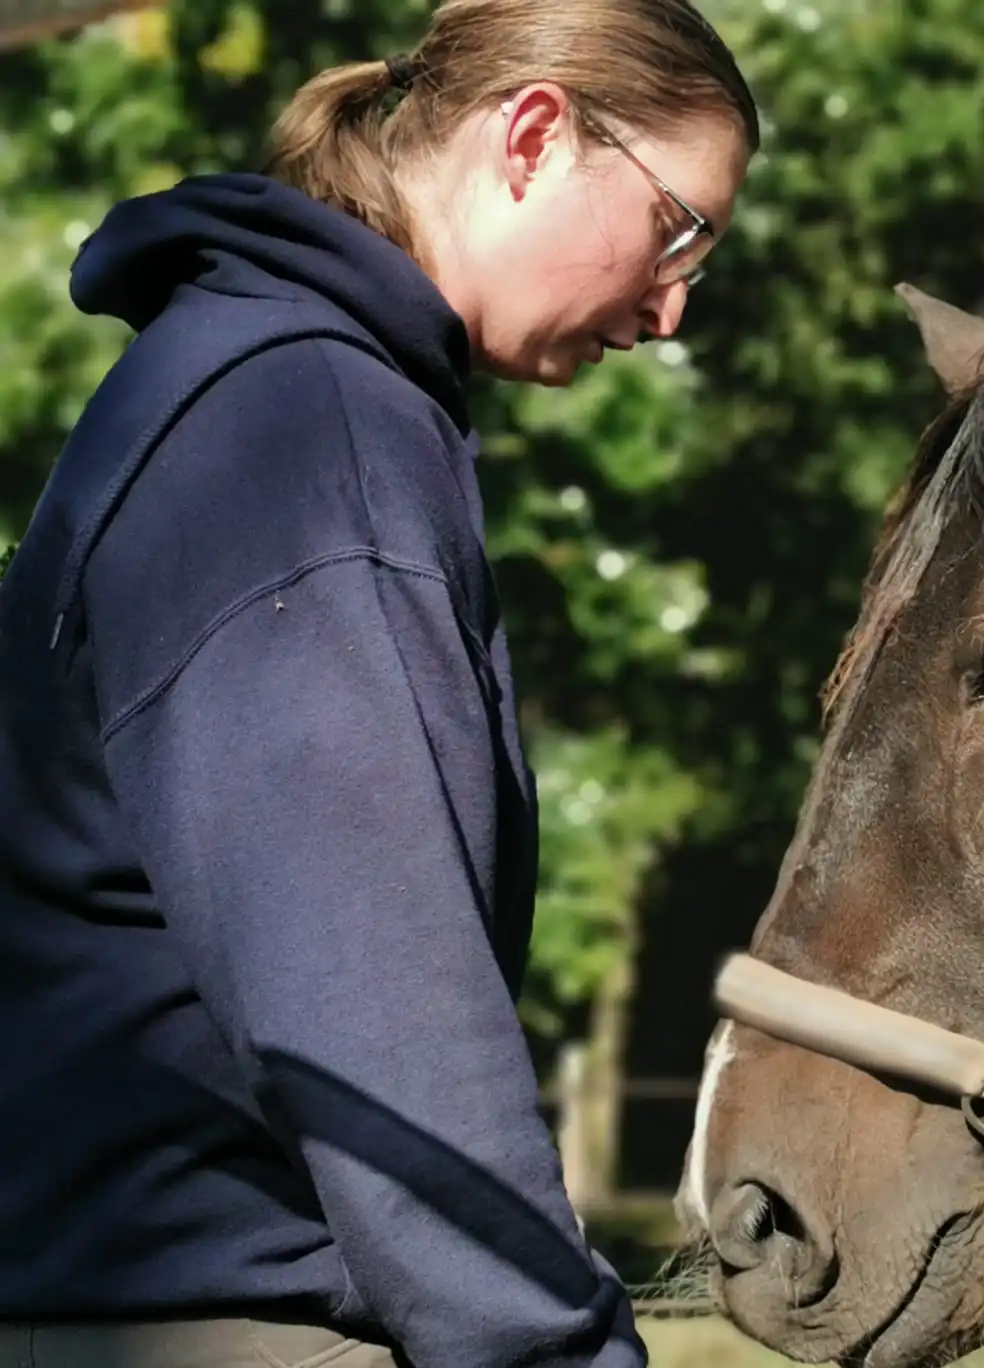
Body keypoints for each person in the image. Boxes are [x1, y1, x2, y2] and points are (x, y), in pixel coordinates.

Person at [0, 0, 756, 1365]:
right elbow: (378, 1028)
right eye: (680, 228)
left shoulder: (256, 378)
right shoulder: (305, 427)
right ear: (533, 138)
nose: (672, 308)